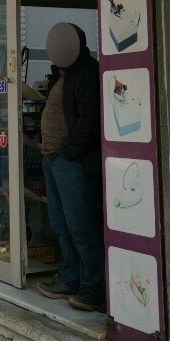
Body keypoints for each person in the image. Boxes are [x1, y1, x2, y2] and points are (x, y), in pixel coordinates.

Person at [37, 22, 106, 312]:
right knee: (61, 224)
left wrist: (69, 151)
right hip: (54, 160)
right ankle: (71, 277)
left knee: (81, 225)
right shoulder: (63, 74)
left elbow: (89, 121)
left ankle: (93, 287)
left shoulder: (88, 73)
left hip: (71, 163)